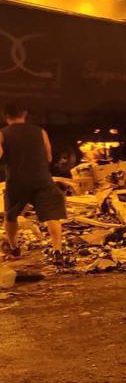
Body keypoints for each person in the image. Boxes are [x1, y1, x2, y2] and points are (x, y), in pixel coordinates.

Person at [0, 103, 68, 264]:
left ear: (6, 117)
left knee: (11, 216)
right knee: (52, 215)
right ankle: (57, 251)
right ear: (25, 114)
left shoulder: (2, 134)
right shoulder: (40, 132)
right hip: (42, 179)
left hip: (17, 181)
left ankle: (14, 248)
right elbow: (49, 157)